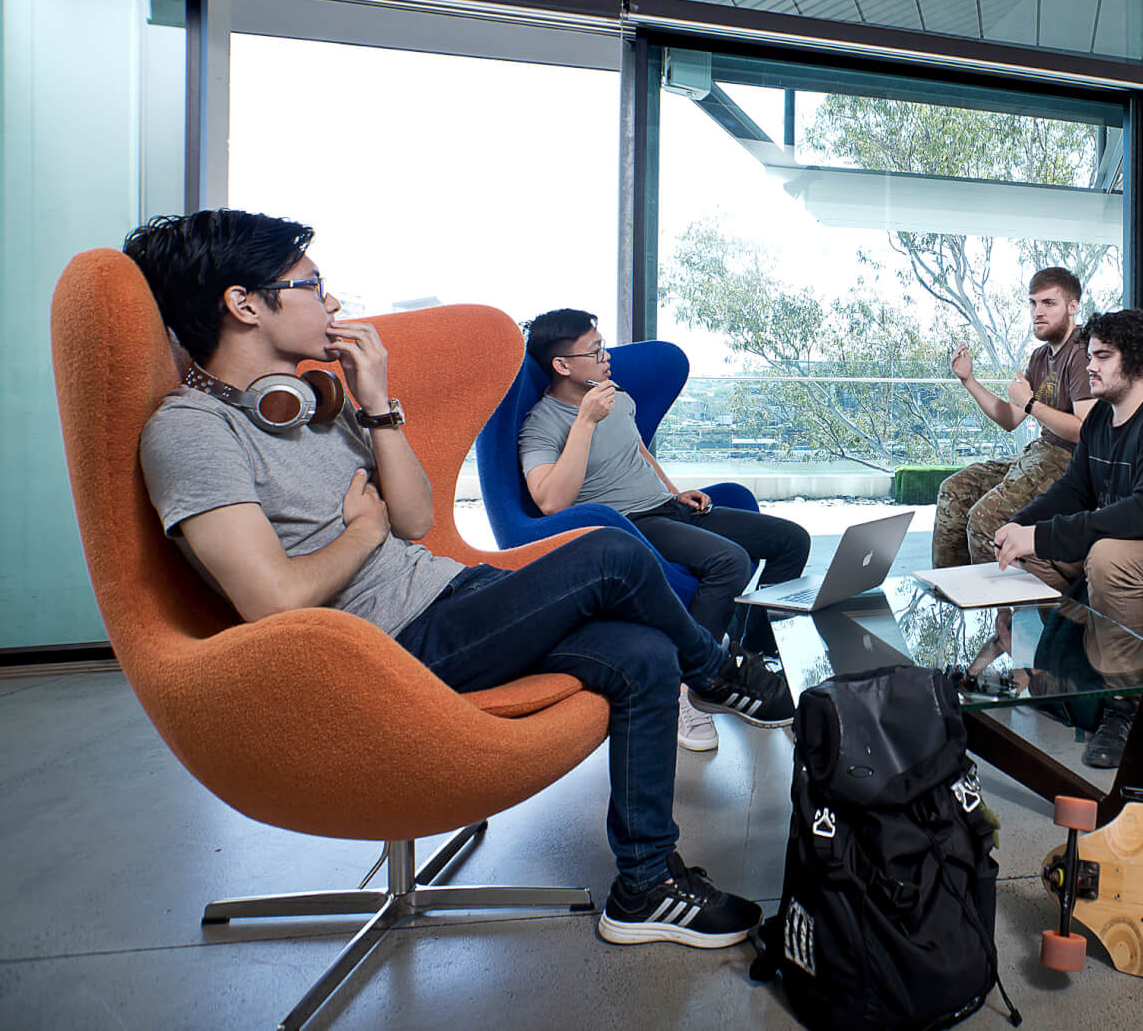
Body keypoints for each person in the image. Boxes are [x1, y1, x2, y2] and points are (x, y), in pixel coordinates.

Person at [125, 210, 792, 950]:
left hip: (453, 596)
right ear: (244, 303)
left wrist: (378, 404)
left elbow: (411, 518)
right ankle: (723, 672)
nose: (335, 303)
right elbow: (271, 598)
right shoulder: (190, 432)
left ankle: (644, 887)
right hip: (385, 649)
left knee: (641, 654)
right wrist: (361, 532)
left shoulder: (318, 403)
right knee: (610, 550)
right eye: (312, 285)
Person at [519, 309, 810, 755]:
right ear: (562, 366)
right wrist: (584, 421)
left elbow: (637, 452)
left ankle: (750, 654)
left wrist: (676, 492)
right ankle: (694, 680)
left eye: (603, 345)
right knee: (728, 561)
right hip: (628, 524)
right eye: (594, 351)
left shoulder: (617, 396)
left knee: (792, 540)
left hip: (666, 508)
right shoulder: (543, 423)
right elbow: (550, 500)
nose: (606, 356)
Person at [992, 309, 1143, 768]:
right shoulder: (1103, 419)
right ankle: (1073, 674)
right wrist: (1021, 527)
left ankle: (1124, 708)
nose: (1090, 366)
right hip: (1134, 537)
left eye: (1103, 356)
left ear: (1139, 361)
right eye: (1089, 355)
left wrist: (1043, 536)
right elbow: (1073, 489)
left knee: (1107, 558)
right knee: (1037, 558)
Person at [932, 267, 1094, 568]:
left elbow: (1084, 431)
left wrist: (1031, 403)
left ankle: (999, 613)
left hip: (1069, 460)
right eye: (1033, 303)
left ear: (1073, 307)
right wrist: (969, 380)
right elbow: (1010, 418)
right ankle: (950, 599)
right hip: (1039, 453)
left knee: (985, 517)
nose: (1038, 312)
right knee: (953, 491)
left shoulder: (1083, 352)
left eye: (1048, 303)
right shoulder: (1040, 356)